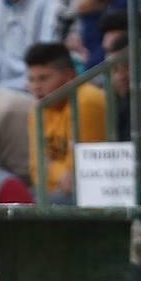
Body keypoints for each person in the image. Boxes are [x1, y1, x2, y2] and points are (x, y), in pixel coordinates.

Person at [24, 41, 106, 201]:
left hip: (90, 195)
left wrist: (51, 169)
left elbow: (79, 175)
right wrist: (60, 174)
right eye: (31, 80)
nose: (36, 87)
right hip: (53, 194)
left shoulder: (87, 100)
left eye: (43, 78)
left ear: (69, 76)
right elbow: (36, 171)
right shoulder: (38, 109)